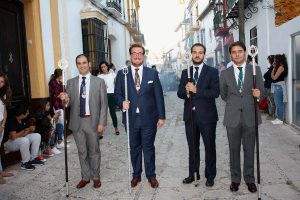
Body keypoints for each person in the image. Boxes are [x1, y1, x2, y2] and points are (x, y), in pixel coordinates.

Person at [114, 43, 166, 188]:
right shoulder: (122, 73)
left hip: (149, 118)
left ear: (143, 55)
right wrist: (121, 102)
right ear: (130, 55)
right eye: (134, 53)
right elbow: (117, 94)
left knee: (148, 148)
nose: (137, 55)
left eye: (140, 53)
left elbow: (158, 96)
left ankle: (151, 176)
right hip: (131, 119)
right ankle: (136, 175)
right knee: (134, 148)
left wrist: (161, 116)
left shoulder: (152, 73)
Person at [219, 41, 264, 193]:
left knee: (250, 149)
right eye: (234, 52)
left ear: (245, 53)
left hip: (251, 115)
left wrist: (259, 95)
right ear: (230, 55)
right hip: (232, 117)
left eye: (240, 51)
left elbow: (262, 92)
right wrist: (235, 104)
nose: (237, 54)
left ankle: (250, 179)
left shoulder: (255, 69)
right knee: (233, 150)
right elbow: (224, 95)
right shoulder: (225, 73)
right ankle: (235, 179)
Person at [60, 54, 108, 189]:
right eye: (79, 63)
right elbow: (67, 104)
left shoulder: (99, 82)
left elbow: (104, 104)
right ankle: (85, 177)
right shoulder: (71, 82)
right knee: (82, 152)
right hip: (77, 122)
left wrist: (101, 123)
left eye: (84, 62)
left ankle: (96, 177)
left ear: (89, 63)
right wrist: (64, 99)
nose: (82, 65)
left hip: (92, 122)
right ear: (76, 65)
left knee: (94, 151)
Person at [177, 43, 219, 187]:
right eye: (194, 52)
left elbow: (215, 92)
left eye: (200, 52)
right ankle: (193, 173)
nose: (197, 55)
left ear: (204, 55)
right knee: (192, 147)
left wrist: (196, 90)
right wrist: (187, 92)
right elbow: (180, 93)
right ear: (191, 54)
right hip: (190, 117)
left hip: (207, 117)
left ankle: (210, 175)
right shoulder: (185, 72)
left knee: (209, 147)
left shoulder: (212, 72)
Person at [4, 104, 44, 171]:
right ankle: (25, 163)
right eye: (27, 111)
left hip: (19, 139)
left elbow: (25, 132)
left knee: (37, 136)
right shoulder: (11, 120)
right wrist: (24, 131)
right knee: (24, 140)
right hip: (8, 143)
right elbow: (13, 137)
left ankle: (33, 158)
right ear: (22, 112)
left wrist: (30, 129)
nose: (28, 113)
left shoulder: (23, 119)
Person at [98, 61, 120, 136]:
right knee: (103, 113)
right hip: (103, 95)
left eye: (104, 66)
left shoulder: (112, 74)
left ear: (107, 66)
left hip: (111, 94)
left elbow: (116, 85)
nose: (103, 68)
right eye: (102, 67)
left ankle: (116, 127)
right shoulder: (99, 76)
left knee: (112, 112)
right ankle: (101, 131)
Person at [0, 73, 13, 184]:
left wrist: (3, 125)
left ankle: (0, 171)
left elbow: (4, 112)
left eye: (2, 82)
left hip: (1, 124)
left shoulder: (3, 94)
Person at [48, 69, 65, 150]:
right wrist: (61, 94)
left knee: (62, 121)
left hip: (61, 104)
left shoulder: (60, 83)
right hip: (55, 104)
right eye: (62, 74)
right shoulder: (52, 82)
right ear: (59, 75)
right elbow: (54, 94)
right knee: (59, 121)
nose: (62, 76)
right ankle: (59, 141)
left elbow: (63, 91)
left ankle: (61, 139)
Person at [271, 54, 288, 125]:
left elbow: (274, 78)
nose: (274, 61)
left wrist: (274, 68)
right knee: (277, 103)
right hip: (277, 86)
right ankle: (278, 118)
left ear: (278, 60)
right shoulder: (279, 67)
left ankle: (280, 119)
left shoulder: (281, 67)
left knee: (279, 103)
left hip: (279, 86)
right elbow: (272, 77)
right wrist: (274, 68)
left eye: (275, 59)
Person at [263, 55, 276, 119]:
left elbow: (266, 75)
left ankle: (272, 115)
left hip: (269, 86)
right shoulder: (271, 68)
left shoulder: (272, 68)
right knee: (269, 101)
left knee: (271, 101)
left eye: (268, 60)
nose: (268, 61)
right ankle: (271, 114)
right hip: (268, 86)